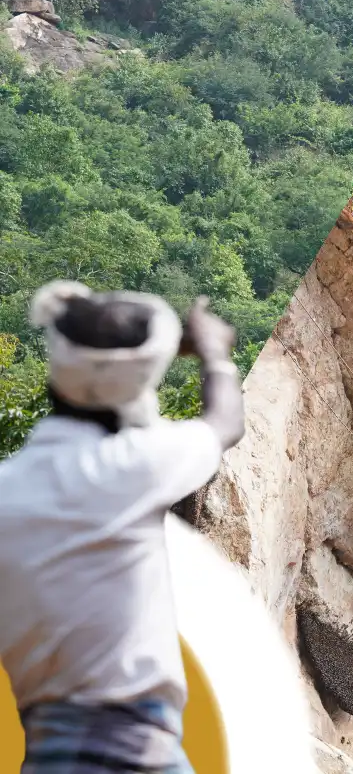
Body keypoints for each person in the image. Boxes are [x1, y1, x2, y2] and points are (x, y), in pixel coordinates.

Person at [0, 282, 245, 774]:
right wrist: (215, 353)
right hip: (136, 751)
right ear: (140, 385)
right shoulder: (136, 467)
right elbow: (224, 422)